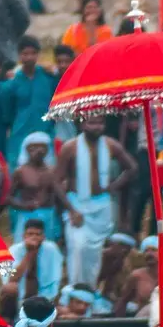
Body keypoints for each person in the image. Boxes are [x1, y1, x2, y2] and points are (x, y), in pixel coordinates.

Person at [57, 115, 137, 286]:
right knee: (78, 248)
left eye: (100, 123)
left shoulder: (110, 144)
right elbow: (56, 181)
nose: (96, 127)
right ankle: (75, 291)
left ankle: (91, 292)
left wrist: (113, 186)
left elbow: (132, 167)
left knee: (99, 252)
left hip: (102, 206)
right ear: (82, 124)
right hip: (76, 205)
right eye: (91, 123)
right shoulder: (70, 147)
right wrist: (71, 210)